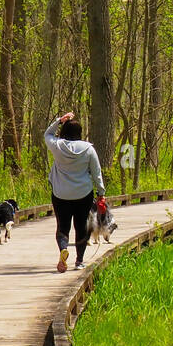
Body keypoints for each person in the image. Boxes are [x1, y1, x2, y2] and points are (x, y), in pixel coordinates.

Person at [43, 111, 105, 272]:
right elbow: (96, 172)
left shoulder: (57, 145)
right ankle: (79, 261)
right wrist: (101, 192)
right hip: (83, 194)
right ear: (79, 133)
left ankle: (63, 247)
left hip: (60, 194)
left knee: (62, 227)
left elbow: (47, 134)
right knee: (81, 226)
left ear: (64, 132)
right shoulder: (88, 149)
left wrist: (60, 120)